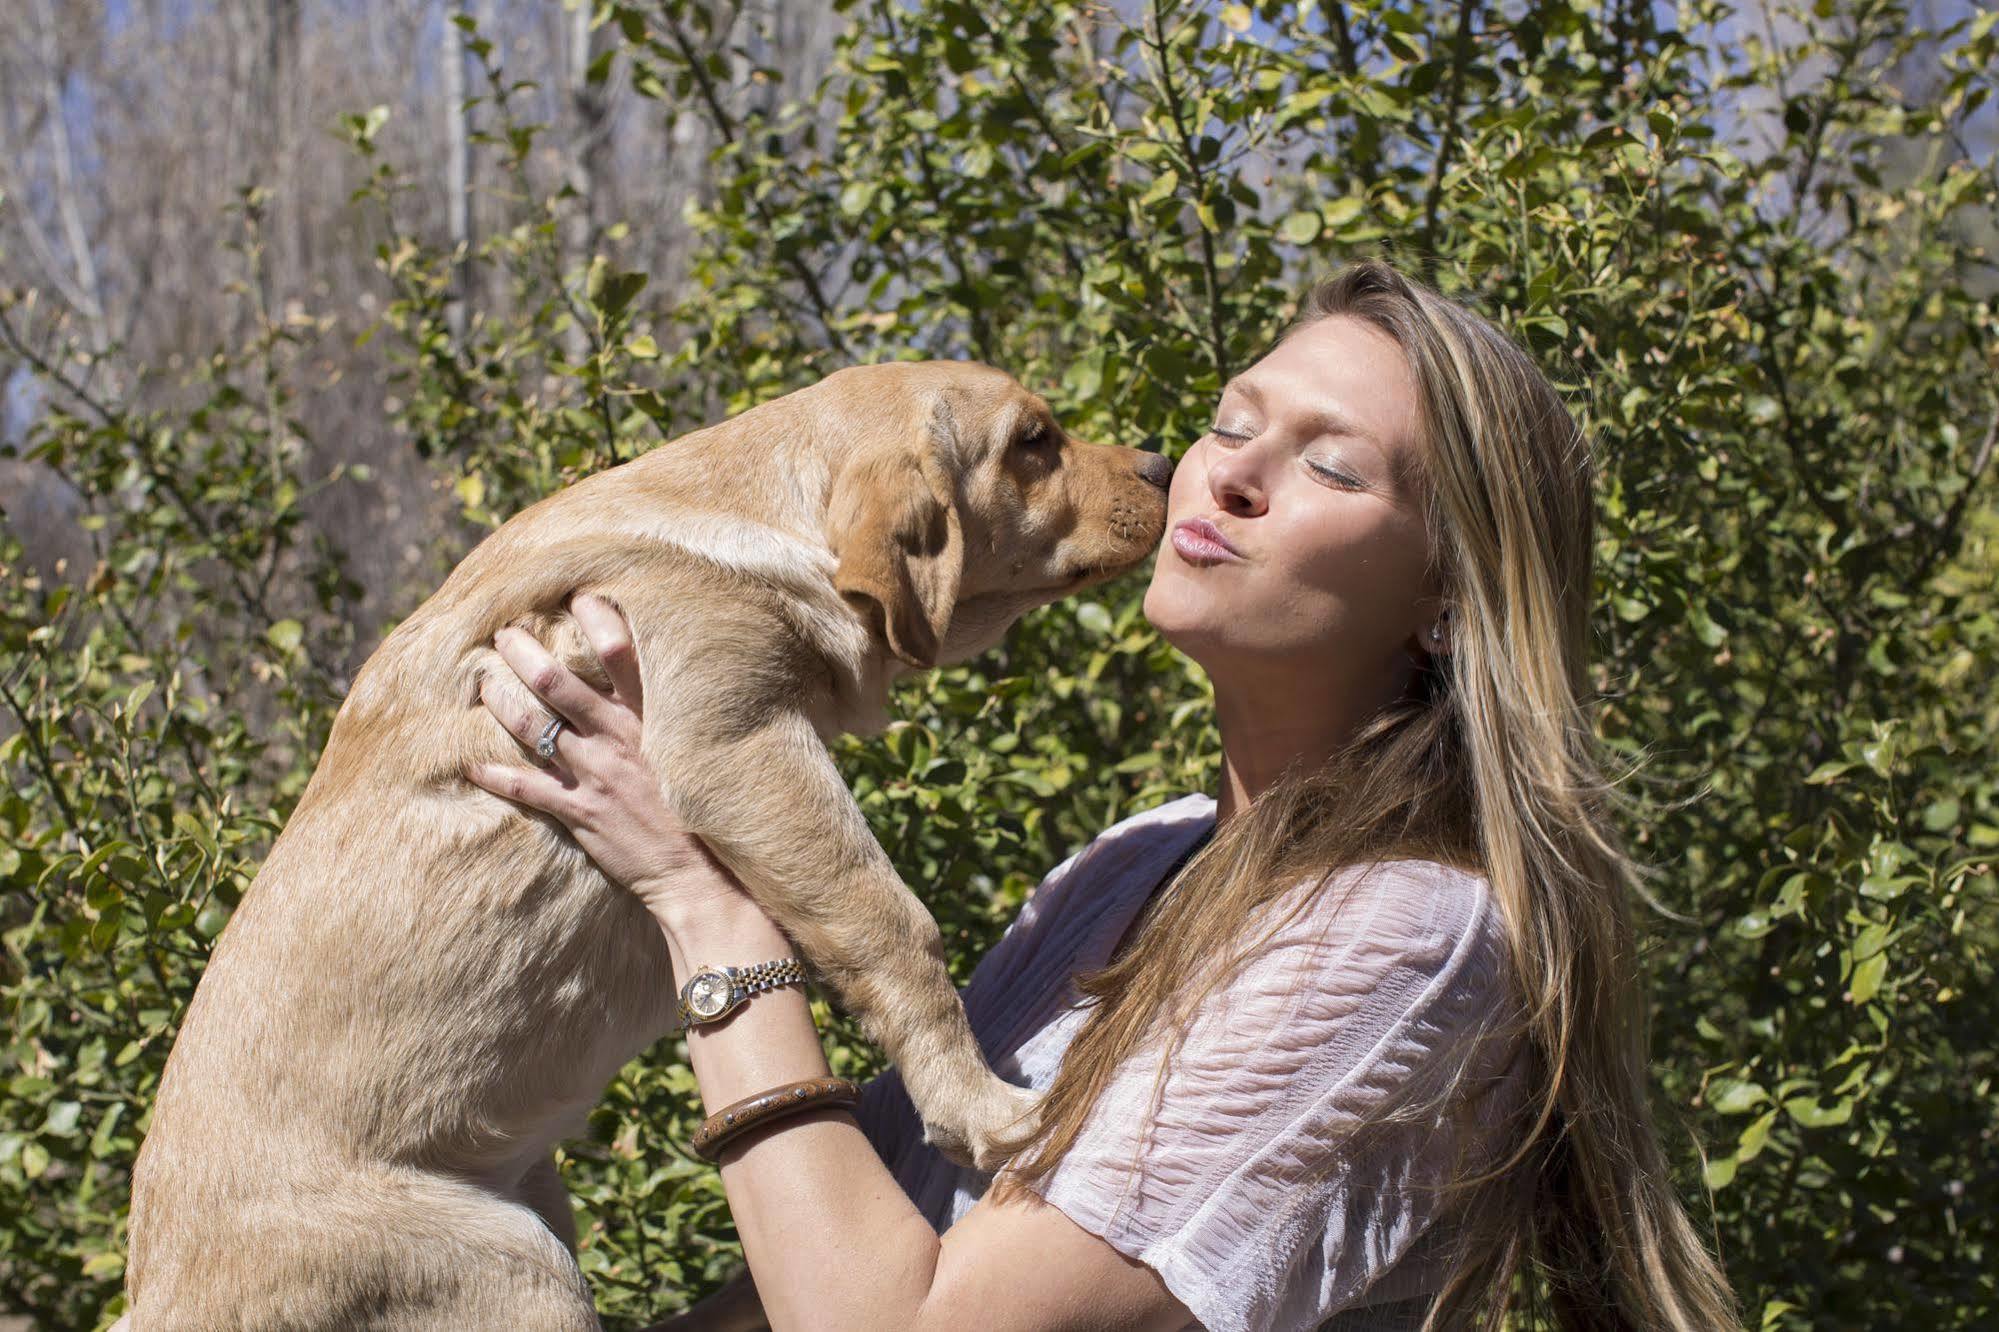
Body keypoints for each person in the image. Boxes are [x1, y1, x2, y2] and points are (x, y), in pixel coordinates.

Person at [467, 260, 1739, 1330]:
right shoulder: (1137, 862)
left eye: (1333, 470)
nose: (1227, 479)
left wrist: (708, 910)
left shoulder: (1408, 937)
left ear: (1452, 601)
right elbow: (849, 1241)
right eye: (1233, 427)